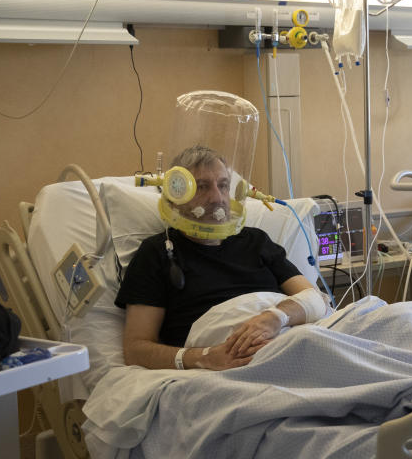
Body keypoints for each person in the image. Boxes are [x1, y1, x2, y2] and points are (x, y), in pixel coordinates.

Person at [115, 146, 326, 371]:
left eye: (223, 185)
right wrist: (204, 357)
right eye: (202, 187)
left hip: (289, 336)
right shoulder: (157, 253)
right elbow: (136, 350)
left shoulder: (255, 241)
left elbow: (315, 300)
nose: (217, 198)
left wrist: (276, 317)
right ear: (175, 195)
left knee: (367, 311)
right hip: (234, 360)